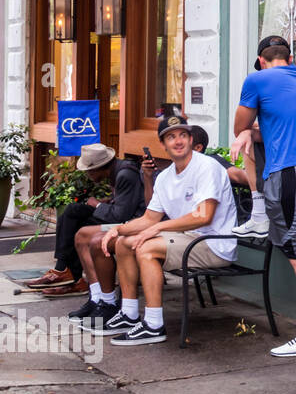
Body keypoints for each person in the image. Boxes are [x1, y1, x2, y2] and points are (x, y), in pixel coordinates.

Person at [231, 35, 296, 358]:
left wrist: (245, 131)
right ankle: (259, 216)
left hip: (291, 172)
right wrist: (251, 132)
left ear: (261, 60)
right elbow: (274, 127)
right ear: (289, 59)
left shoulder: (257, 79)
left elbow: (238, 126)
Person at [98, 114, 238, 346]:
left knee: (146, 248)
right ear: (163, 144)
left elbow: (204, 216)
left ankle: (153, 325)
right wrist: (119, 230)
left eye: (183, 135)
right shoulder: (165, 177)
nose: (178, 141)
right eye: (171, 137)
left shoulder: (207, 166)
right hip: (188, 239)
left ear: (191, 139)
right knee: (125, 243)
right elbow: (149, 218)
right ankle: (130, 314)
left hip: (214, 244)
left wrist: (158, 228)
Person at [43, 145, 146, 323]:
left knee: (83, 235)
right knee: (73, 212)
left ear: (100, 167)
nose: (88, 175)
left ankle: (102, 298)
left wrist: (97, 204)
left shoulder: (125, 174)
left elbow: (121, 215)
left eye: (90, 171)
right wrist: (108, 202)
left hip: (132, 225)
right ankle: (85, 287)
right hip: (123, 219)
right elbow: (123, 204)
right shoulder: (117, 171)